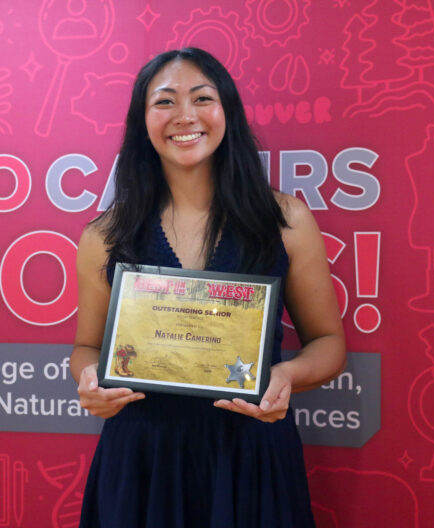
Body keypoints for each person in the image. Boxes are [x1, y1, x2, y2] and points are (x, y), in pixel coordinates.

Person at [70, 47, 346, 528]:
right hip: (142, 461)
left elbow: (329, 344)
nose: (185, 116)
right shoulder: (103, 236)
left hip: (250, 457)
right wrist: (89, 380)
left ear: (227, 113)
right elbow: (86, 347)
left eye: (202, 98)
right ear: (142, 120)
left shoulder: (286, 220)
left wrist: (285, 377)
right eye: (164, 102)